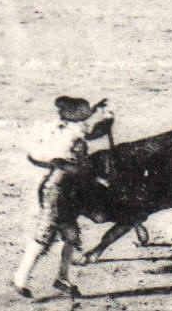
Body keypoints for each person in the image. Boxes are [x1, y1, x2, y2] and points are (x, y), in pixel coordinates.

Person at [11, 95, 113, 298]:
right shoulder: (76, 132)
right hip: (58, 189)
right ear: (74, 114)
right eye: (82, 110)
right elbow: (95, 130)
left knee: (71, 235)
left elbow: (34, 155)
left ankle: (62, 279)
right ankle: (20, 278)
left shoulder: (60, 129)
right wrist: (107, 116)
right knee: (46, 233)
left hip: (66, 187)